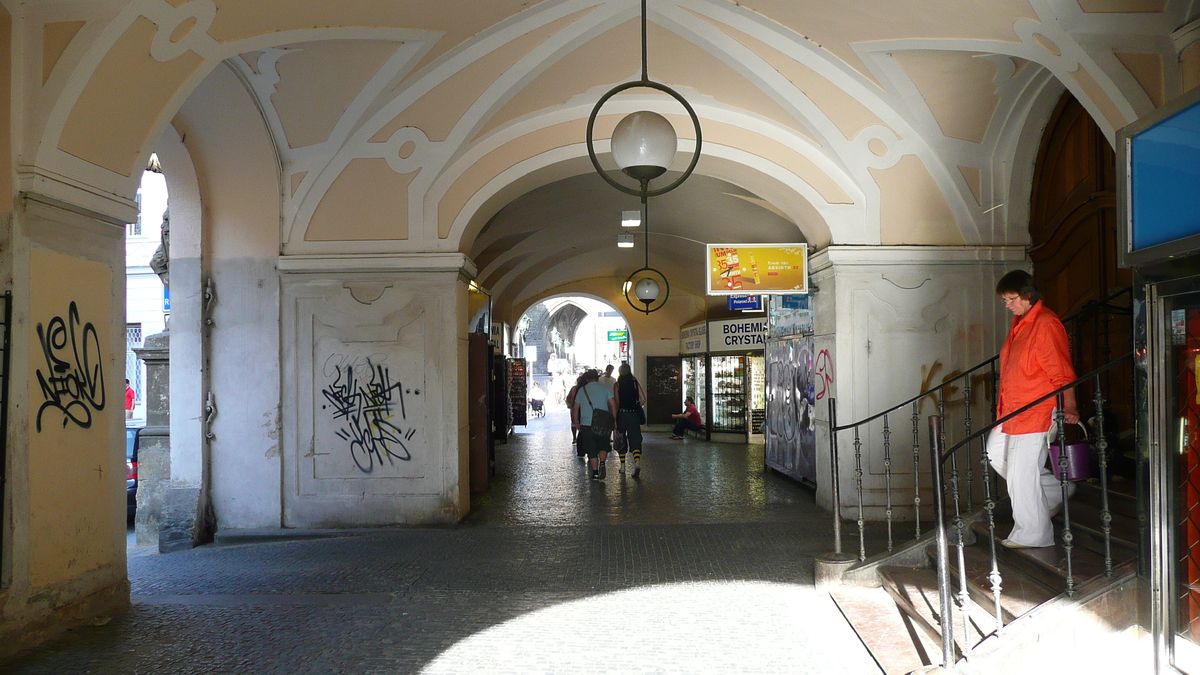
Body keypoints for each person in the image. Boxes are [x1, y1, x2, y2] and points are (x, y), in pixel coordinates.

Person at [987, 270, 1078, 549]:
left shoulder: (1046, 323)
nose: (1008, 304)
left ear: (1028, 295)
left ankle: (1035, 533)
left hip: (1035, 409)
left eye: (1011, 298)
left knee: (1022, 471)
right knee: (995, 453)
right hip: (1013, 409)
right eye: (1004, 300)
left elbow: (1061, 370)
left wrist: (1070, 404)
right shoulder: (1021, 324)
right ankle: (1053, 493)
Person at [572, 369, 617, 481]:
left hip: (587, 424)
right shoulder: (604, 389)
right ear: (597, 378)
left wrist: (576, 422)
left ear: (587, 379)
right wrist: (614, 419)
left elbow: (575, 408)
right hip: (603, 422)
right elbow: (613, 404)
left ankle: (595, 473)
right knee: (603, 445)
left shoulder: (582, 390)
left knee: (591, 448)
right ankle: (602, 462)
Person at [613, 363, 647, 477]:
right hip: (634, 415)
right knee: (635, 439)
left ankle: (622, 467)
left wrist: (615, 417)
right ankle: (637, 463)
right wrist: (636, 406)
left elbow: (617, 403)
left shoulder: (617, 385)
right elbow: (643, 399)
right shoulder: (635, 383)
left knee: (621, 439)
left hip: (622, 415)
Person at [565, 373, 586, 451]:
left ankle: (578, 438)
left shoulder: (582, 389)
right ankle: (574, 437)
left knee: (577, 423)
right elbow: (569, 397)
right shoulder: (575, 389)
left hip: (579, 408)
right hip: (576, 408)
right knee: (574, 423)